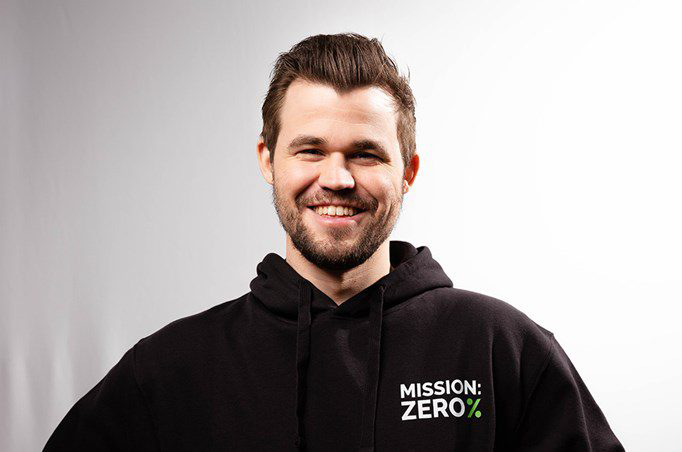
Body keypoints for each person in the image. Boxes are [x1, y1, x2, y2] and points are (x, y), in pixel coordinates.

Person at [44, 33, 624, 451]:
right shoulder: (174, 369)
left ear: (408, 172)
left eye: (365, 154)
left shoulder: (502, 350)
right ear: (268, 161)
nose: (338, 178)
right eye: (311, 150)